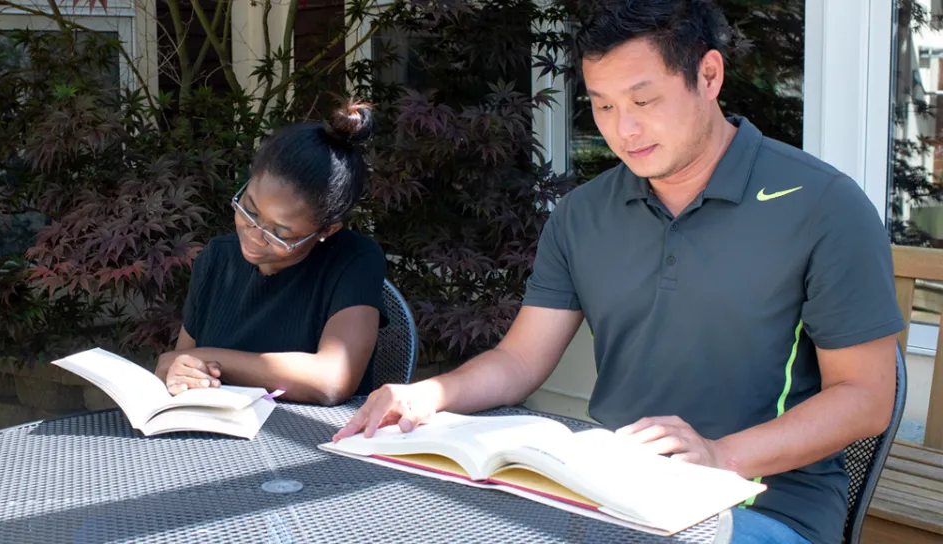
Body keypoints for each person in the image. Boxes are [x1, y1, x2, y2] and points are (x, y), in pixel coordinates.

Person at [333, 1, 904, 543]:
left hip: (764, 506)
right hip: (609, 493)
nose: (622, 130)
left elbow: (865, 396)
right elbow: (520, 359)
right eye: (603, 105)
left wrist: (718, 454)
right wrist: (429, 393)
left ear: (709, 76)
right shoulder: (584, 214)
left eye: (644, 100)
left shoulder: (824, 205)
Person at [155, 101, 388, 405]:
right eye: (249, 210)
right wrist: (177, 370)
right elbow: (185, 363)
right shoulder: (217, 258)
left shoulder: (354, 260)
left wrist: (210, 359)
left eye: (279, 232)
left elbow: (333, 379)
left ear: (326, 230)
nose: (254, 235)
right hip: (218, 437)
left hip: (314, 438)